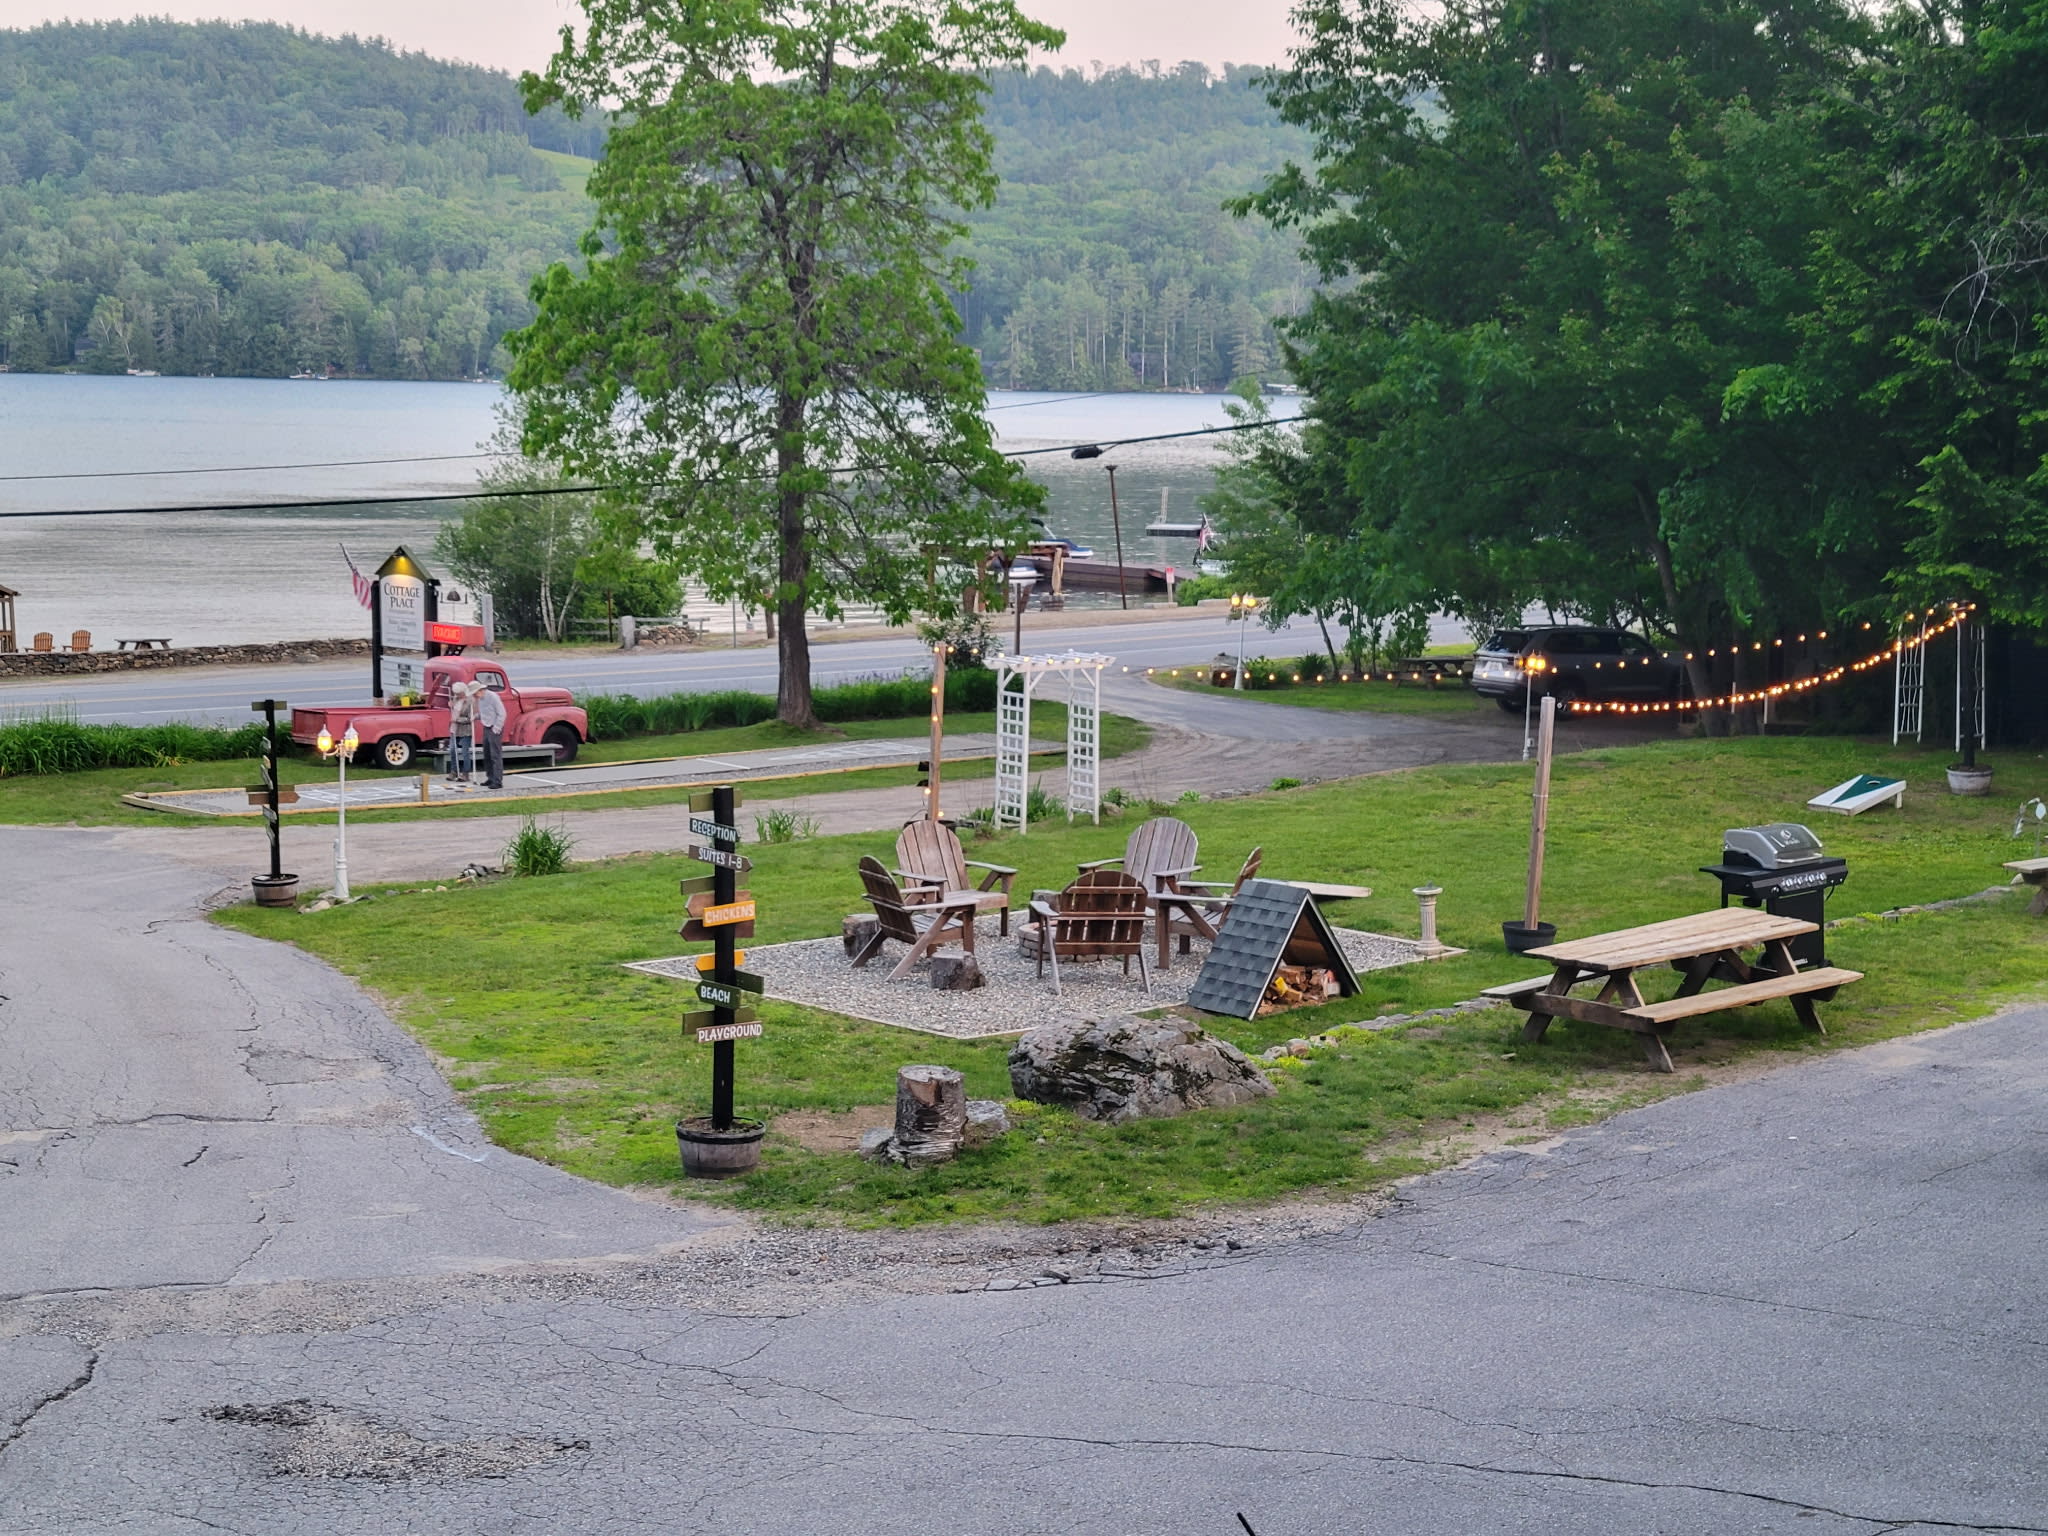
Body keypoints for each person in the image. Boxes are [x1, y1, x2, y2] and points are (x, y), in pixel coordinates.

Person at [446, 678, 479, 785]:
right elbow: (453, 711)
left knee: (465, 753)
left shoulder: (471, 701)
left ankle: (465, 773)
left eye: (459, 693)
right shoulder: (455, 699)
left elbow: (470, 718)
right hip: (454, 729)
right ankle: (454, 771)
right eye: (456, 693)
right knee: (452, 750)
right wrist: (450, 706)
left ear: (464, 691)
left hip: (465, 730)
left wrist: (457, 720)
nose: (457, 695)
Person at [477, 678, 506, 790]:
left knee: (495, 755)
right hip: (486, 726)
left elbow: (502, 713)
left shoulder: (493, 697)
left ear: (480, 690)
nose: (475, 696)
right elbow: (484, 713)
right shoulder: (480, 699)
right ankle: (490, 777)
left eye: (475, 693)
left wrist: (497, 728)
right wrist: (476, 716)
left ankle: (498, 781)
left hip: (494, 727)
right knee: (487, 753)